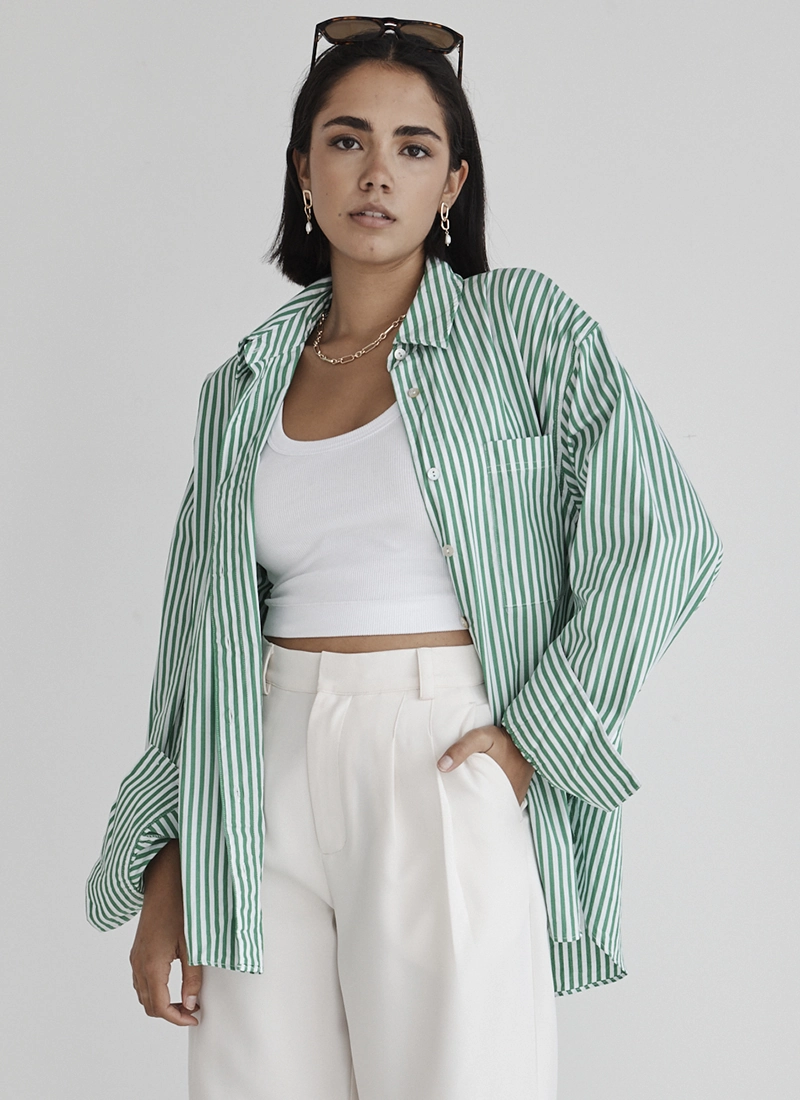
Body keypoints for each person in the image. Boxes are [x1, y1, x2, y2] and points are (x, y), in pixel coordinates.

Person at [85, 17, 723, 1100]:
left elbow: (662, 535)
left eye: (413, 147)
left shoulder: (520, 329)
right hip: (260, 769)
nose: (377, 171)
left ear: (451, 182)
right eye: (346, 140)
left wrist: (532, 741)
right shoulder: (243, 383)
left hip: (438, 758)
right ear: (303, 169)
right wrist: (168, 863)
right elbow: (195, 644)